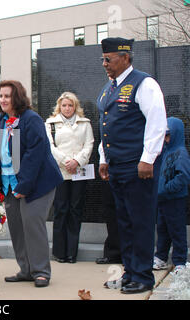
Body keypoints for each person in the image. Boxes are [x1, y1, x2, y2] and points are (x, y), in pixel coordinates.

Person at [97, 37, 167, 294]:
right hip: (116, 166)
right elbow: (105, 125)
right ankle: (130, 271)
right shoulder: (109, 88)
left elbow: (157, 122)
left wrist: (148, 158)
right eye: (103, 59)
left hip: (137, 166)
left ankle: (143, 276)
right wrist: (104, 159)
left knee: (140, 221)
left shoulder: (144, 83)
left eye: (109, 59)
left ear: (125, 57)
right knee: (123, 222)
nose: (105, 64)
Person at [0, 80, 63, 288]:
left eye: (7, 96)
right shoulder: (0, 121)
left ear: (17, 97)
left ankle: (41, 271)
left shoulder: (31, 119)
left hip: (36, 184)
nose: (3, 100)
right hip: (10, 184)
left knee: (32, 224)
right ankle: (26, 269)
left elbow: (35, 155)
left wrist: (23, 186)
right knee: (17, 227)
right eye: (0, 96)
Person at [46, 92, 94, 263]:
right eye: (64, 105)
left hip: (79, 172)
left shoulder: (85, 124)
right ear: (59, 106)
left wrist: (77, 161)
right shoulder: (50, 124)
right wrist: (67, 161)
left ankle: (72, 253)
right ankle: (59, 253)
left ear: (75, 106)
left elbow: (89, 145)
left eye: (70, 105)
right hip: (60, 172)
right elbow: (49, 146)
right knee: (61, 210)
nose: (67, 108)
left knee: (75, 211)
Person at [153, 117, 190, 273]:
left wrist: (167, 188)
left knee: (177, 230)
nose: (165, 138)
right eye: (164, 135)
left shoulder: (180, 153)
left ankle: (180, 261)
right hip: (163, 199)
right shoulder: (165, 151)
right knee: (162, 229)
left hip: (175, 199)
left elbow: (183, 176)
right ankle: (161, 257)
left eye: (168, 135)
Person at [95, 180, 122, 264]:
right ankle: (113, 253)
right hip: (109, 172)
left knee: (130, 210)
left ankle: (129, 254)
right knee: (110, 209)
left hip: (130, 171)